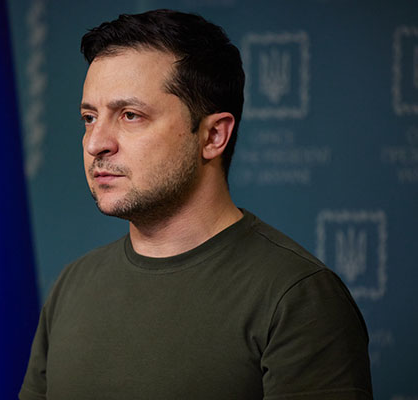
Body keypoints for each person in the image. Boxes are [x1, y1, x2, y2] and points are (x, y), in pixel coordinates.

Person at [19, 9, 372, 400]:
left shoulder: (297, 297)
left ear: (213, 136)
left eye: (130, 115)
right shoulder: (72, 286)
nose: (95, 143)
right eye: (89, 117)